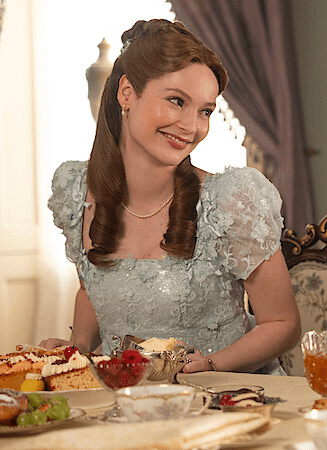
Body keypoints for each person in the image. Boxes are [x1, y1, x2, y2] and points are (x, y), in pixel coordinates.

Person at [40, 19, 301, 374]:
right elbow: (92, 289)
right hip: (125, 395)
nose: (192, 127)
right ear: (126, 93)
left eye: (205, 111)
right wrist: (78, 347)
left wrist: (211, 364)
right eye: (177, 101)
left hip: (227, 394)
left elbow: (283, 324)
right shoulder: (76, 194)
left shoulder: (231, 202)